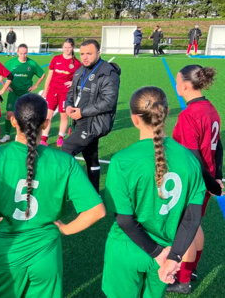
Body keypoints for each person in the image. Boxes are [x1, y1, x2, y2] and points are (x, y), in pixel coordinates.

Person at [0, 93, 105, 298]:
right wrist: (66, 229)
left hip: (4, 254)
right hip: (46, 256)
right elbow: (97, 211)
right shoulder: (64, 162)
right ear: (46, 123)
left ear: (12, 120)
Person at [102, 86, 206, 298]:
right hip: (167, 252)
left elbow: (124, 219)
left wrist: (158, 253)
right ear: (167, 113)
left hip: (127, 249)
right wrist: (173, 256)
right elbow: (192, 217)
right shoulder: (189, 159)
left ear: (134, 118)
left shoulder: (122, 160)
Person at [168, 65, 223, 294]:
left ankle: (183, 280)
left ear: (186, 85)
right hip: (206, 178)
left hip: (194, 182)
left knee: (186, 230)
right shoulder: (210, 108)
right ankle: (191, 270)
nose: (177, 84)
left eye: (178, 80)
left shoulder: (190, 114)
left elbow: (192, 156)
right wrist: (217, 177)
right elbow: (218, 146)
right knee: (195, 224)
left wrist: (211, 183)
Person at [62, 39, 121, 192]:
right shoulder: (80, 71)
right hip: (80, 120)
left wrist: (82, 112)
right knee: (91, 159)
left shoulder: (108, 72)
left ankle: (69, 190)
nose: (85, 57)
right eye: (82, 54)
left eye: (89, 53)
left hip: (94, 122)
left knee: (67, 148)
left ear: (98, 53)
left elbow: (109, 101)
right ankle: (95, 195)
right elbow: (71, 93)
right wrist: (68, 105)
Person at [0, 44, 46, 143]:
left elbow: (42, 74)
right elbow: (1, 75)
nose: (23, 55)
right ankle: (7, 134)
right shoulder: (11, 63)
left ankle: (21, 135)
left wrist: (35, 86)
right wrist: (5, 86)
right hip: (13, 93)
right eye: (21, 53)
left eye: (25, 53)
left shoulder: (32, 64)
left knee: (24, 115)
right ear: (17, 53)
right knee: (9, 114)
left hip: (26, 94)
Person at [40, 38, 82, 148]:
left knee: (63, 116)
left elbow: (81, 78)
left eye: (69, 47)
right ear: (62, 47)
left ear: (72, 48)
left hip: (65, 93)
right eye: (65, 47)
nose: (67, 49)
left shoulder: (77, 63)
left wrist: (72, 82)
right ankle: (44, 138)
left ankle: (60, 137)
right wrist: (45, 90)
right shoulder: (56, 59)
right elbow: (49, 76)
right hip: (52, 91)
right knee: (48, 116)